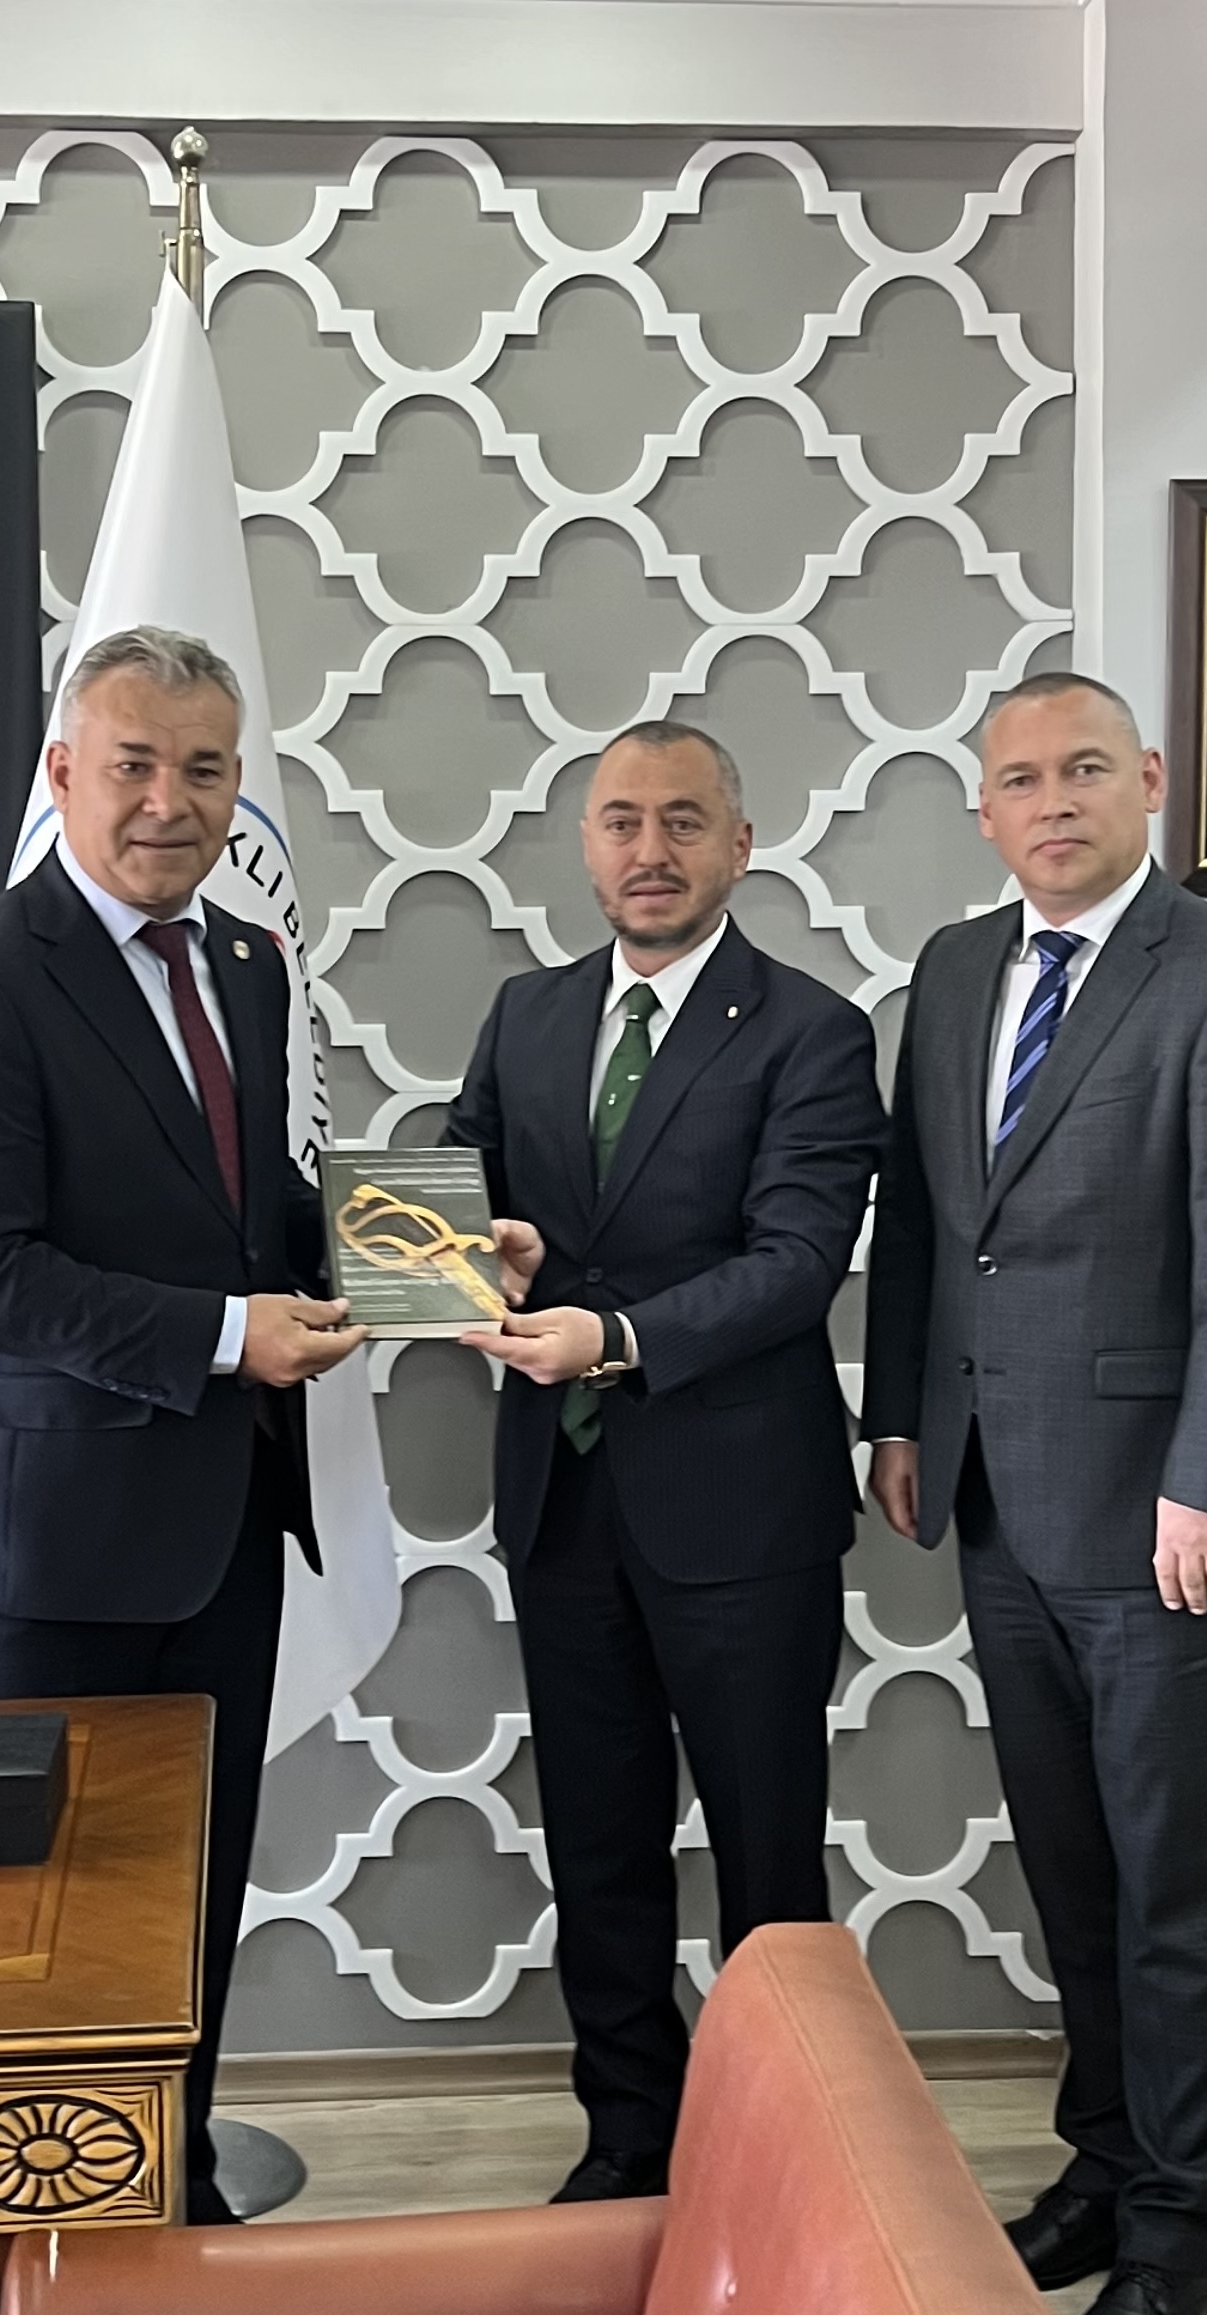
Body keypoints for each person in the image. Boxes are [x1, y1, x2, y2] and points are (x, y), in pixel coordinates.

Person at [863, 670, 1207, 2315]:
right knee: (1073, 1864)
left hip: (1165, 1517)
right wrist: (898, 1416)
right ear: (980, 808)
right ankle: (1109, 2154)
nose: (1048, 800)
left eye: (1079, 770)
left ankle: (1180, 2238)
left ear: (1144, 780)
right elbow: (926, 1221)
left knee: (1177, 1885)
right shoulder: (952, 971)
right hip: (998, 1494)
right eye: (1015, 778)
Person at [0, 624, 362, 2225]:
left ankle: (171, 2179)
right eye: (135, 764)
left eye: (205, 769)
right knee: (28, 1919)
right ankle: (31, 2228)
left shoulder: (247, 961)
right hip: (38, 1548)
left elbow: (243, 1209)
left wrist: (416, 1258)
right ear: (62, 771)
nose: (171, 802)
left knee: (187, 1899)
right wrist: (231, 1335)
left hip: (220, 1520)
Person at [446, 719, 883, 2203]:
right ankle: (628, 2139)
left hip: (740, 1516)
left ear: (738, 845)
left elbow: (794, 1262)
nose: (650, 850)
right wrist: (480, 1260)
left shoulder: (811, 1032)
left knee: (766, 1858)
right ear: (583, 843)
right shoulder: (524, 1015)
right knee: (599, 1850)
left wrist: (614, 1335)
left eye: (683, 821)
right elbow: (455, 1194)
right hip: (561, 1505)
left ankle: (788, 2155)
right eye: (621, 820)